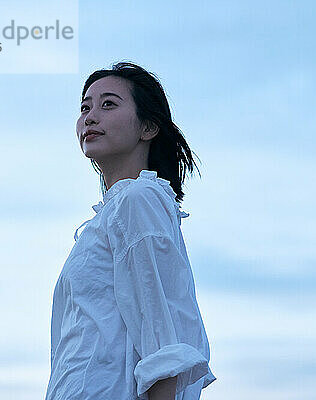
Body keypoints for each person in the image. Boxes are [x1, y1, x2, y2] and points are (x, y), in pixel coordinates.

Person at [45, 61, 216, 400]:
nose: (90, 117)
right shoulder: (110, 216)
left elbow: (164, 339)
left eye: (108, 104)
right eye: (85, 107)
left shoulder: (137, 198)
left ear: (148, 128)